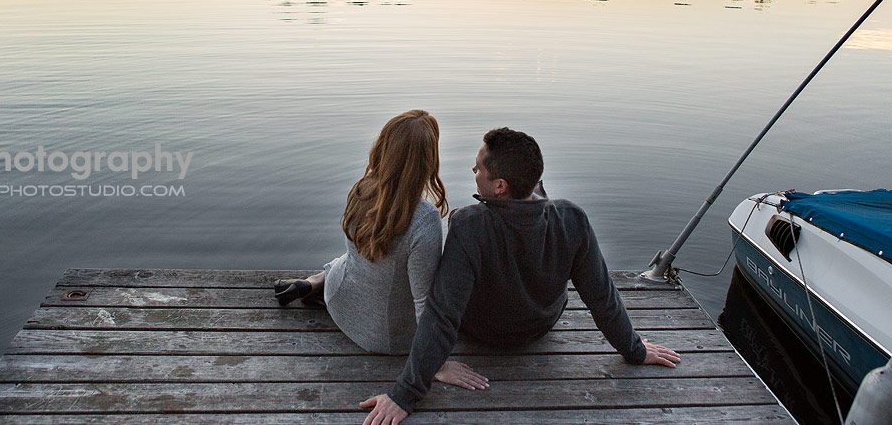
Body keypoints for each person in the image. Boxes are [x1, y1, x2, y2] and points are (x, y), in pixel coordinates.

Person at [360, 127, 682, 424]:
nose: (474, 173)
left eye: (478, 170)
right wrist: (635, 349)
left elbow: (442, 315)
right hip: (540, 325)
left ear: (499, 186)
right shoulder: (573, 219)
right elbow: (602, 297)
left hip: (483, 332)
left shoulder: (468, 225)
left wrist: (405, 394)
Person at [273, 110, 487, 391]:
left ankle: (311, 283)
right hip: (386, 338)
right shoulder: (424, 219)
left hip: (339, 303)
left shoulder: (362, 188)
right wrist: (438, 365)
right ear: (428, 159)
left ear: (383, 148)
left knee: (350, 260)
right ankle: (313, 284)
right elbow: (425, 302)